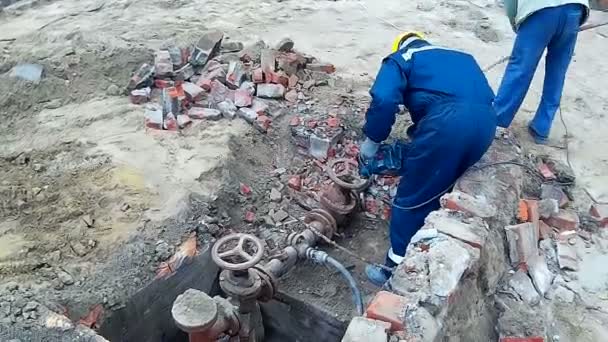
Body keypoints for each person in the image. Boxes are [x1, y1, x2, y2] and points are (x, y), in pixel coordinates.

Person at [360, 32, 497, 286]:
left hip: (449, 126)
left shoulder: (401, 59)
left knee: (411, 198)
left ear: (400, 45)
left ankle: (394, 270)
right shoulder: (462, 58)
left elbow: (384, 98)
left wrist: (372, 141)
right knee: (441, 181)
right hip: (487, 126)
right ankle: (430, 232)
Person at [494, 0, 590, 144]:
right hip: (574, 10)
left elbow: (511, 4)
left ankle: (498, 119)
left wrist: (518, 24)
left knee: (521, 68)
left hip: (540, 11)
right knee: (557, 71)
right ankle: (541, 127)